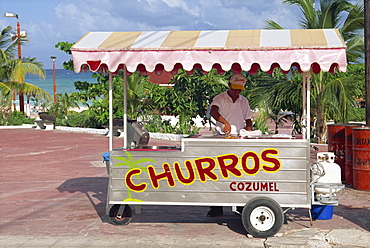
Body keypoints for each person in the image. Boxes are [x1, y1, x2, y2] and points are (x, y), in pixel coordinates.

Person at [207, 73, 253, 217]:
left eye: (240, 90)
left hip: (238, 140)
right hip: (221, 139)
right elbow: (213, 111)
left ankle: (240, 206)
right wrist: (225, 122)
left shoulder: (243, 101)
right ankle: (216, 207)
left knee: (239, 173)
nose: (237, 92)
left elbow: (248, 120)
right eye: (235, 89)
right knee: (218, 173)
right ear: (229, 85)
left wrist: (249, 133)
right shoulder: (219, 98)